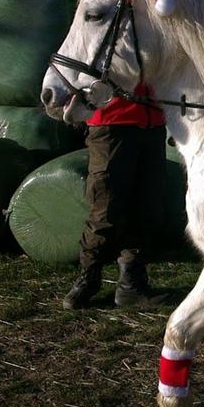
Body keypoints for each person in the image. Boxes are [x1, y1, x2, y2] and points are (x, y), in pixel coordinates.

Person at [62, 72, 169, 309]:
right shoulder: (110, 34)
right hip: (111, 124)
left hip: (153, 124)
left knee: (147, 206)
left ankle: (131, 284)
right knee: (105, 207)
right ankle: (88, 277)